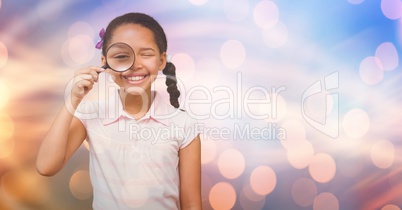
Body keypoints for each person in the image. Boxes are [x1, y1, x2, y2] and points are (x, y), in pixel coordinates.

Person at [36, 12, 202, 210]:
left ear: (161, 60)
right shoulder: (90, 114)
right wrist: (73, 100)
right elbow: (46, 166)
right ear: (105, 62)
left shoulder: (183, 125)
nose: (135, 65)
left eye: (146, 54)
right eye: (122, 57)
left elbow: (191, 204)